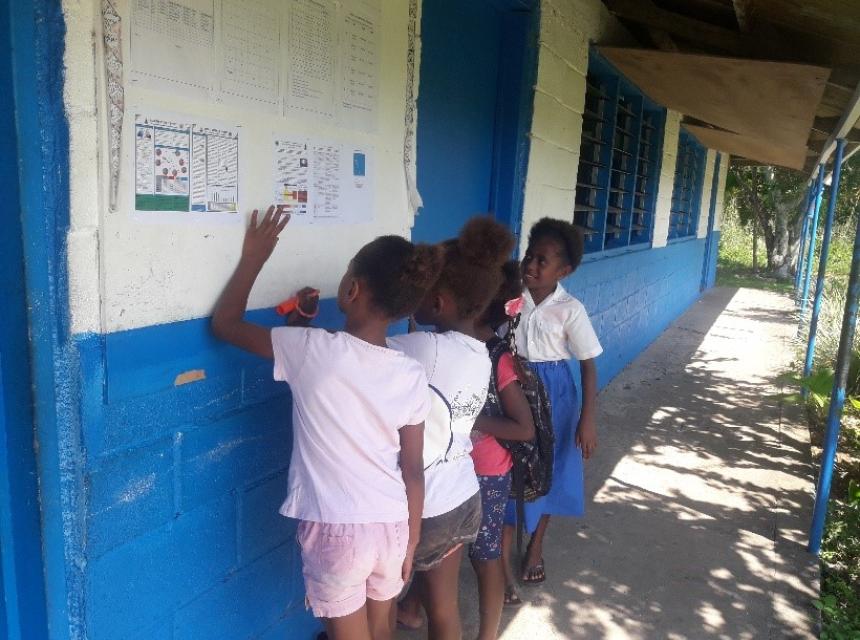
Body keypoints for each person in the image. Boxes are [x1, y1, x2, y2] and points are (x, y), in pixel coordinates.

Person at [211, 205, 443, 640]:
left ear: (351, 288)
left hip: (338, 529)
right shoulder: (410, 372)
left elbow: (226, 324)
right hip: (393, 525)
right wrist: (411, 541)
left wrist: (254, 258)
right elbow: (412, 469)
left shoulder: (310, 351)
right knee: (380, 629)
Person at [389, 216, 515, 640]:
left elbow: (360, 349)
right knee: (444, 610)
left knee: (379, 600)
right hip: (463, 497)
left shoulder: (423, 347)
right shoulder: (480, 354)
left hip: (424, 506)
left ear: (439, 303)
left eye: (419, 292)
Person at [501, 217, 603, 595]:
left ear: (565, 270)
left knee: (550, 468)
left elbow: (589, 364)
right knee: (510, 467)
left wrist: (587, 420)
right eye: (529, 256)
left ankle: (537, 544)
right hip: (512, 388)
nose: (530, 266)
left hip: (555, 394)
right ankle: (505, 551)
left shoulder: (570, 309)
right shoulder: (511, 296)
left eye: (542, 261)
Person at [469, 261, 535, 638]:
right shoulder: (445, 345)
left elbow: (523, 427)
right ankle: (412, 607)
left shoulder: (498, 356)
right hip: (451, 467)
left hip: (487, 472)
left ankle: (488, 634)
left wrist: (469, 418)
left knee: (484, 554)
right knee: (439, 549)